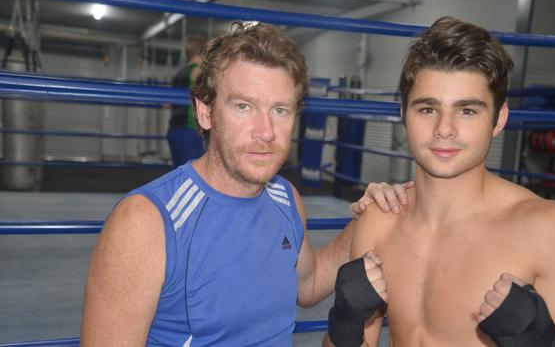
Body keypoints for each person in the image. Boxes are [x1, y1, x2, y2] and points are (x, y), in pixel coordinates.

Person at [80, 22, 411, 346]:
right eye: (244, 106)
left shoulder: (285, 197)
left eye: (280, 110)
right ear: (205, 112)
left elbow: (306, 287)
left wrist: (368, 215)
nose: (265, 131)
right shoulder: (144, 221)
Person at [323, 17, 555, 347]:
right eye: (427, 109)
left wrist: (546, 343)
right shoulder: (378, 221)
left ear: (499, 118)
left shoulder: (549, 230)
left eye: (467, 111)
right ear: (403, 111)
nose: (445, 128)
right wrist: (345, 323)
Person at [167, 34, 207, 167]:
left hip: (174, 129)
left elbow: (166, 104)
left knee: (180, 175)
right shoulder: (197, 71)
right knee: (195, 175)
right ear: (203, 52)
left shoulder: (180, 72)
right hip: (189, 129)